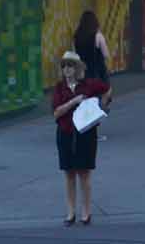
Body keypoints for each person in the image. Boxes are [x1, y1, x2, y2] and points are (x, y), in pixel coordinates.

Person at [51, 51, 108, 226]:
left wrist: (101, 107)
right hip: (66, 133)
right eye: (64, 66)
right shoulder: (59, 88)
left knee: (84, 173)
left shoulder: (88, 85)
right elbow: (56, 113)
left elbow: (107, 89)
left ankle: (86, 211)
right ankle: (70, 212)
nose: (66, 69)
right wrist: (73, 102)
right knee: (69, 174)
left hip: (85, 134)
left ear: (77, 68)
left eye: (70, 65)